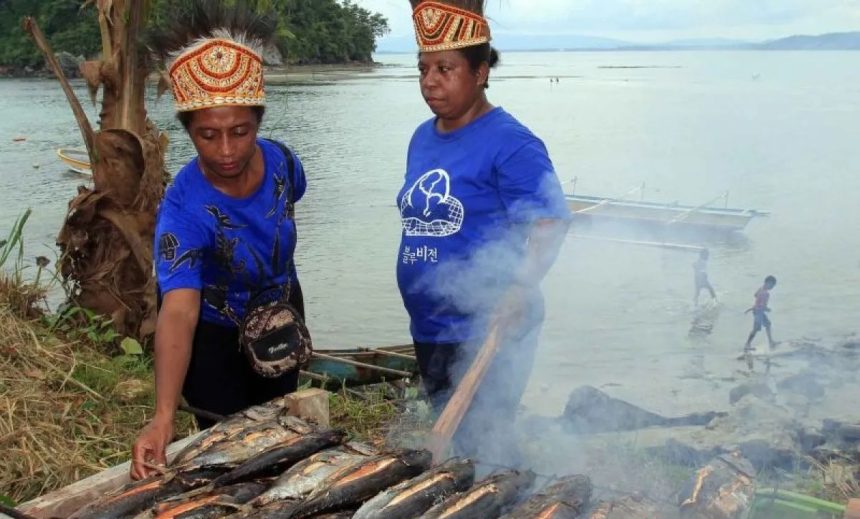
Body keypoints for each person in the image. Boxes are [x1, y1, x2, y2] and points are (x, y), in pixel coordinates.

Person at [131, 6, 309, 480]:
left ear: (259, 122)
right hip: (213, 336)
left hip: (280, 314)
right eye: (208, 135)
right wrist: (162, 416)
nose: (226, 151)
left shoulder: (284, 164)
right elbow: (179, 309)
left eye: (240, 131)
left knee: (284, 434)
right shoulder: (183, 211)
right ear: (188, 130)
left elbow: (284, 212)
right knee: (226, 453)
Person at [398, 0, 571, 467]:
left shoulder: (511, 142)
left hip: (488, 324)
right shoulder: (422, 135)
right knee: (460, 444)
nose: (431, 81)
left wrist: (520, 285)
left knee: (484, 445)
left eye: (445, 68)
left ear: (480, 73)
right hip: (431, 326)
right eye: (424, 69)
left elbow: (551, 222)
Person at [744, 275, 777, 351]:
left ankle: (770, 341)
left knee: (768, 324)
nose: (772, 287)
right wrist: (767, 309)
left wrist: (757, 303)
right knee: (755, 329)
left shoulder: (760, 289)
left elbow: (755, 295)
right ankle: (747, 344)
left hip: (757, 311)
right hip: (759, 313)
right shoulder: (766, 294)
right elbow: (762, 306)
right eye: (772, 285)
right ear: (767, 283)